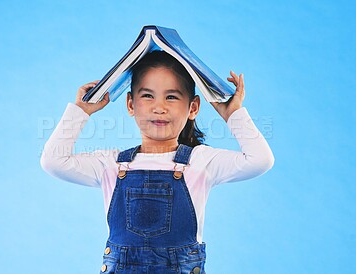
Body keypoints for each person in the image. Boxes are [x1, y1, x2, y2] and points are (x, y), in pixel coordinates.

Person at [40, 51, 274, 273]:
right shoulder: (111, 164)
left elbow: (260, 160)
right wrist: (81, 111)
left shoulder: (201, 161)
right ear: (131, 104)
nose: (159, 107)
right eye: (148, 96)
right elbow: (53, 161)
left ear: (193, 107)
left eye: (171, 97)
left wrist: (233, 113)